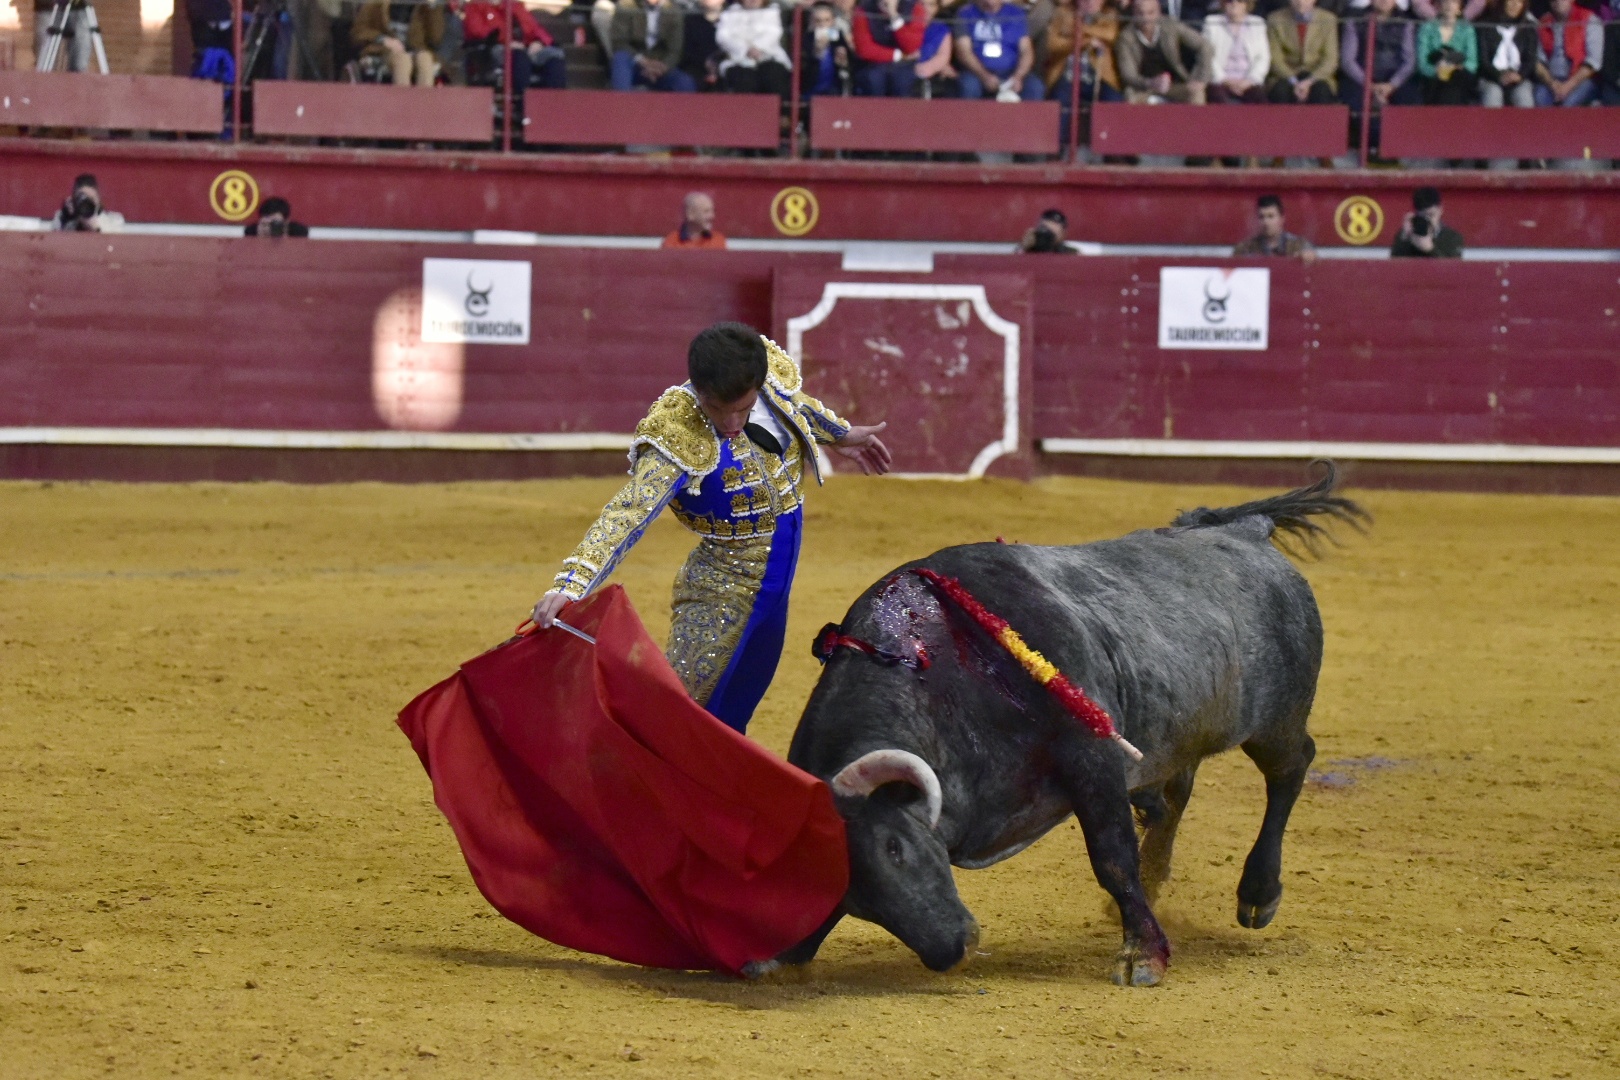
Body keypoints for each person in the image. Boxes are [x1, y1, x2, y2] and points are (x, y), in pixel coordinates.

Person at [530, 323, 892, 734]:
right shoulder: (678, 432)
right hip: (723, 588)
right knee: (676, 717)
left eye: (743, 407)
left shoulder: (767, 380)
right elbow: (627, 513)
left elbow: (795, 405)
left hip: (775, 589)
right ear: (700, 391)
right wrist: (570, 584)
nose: (732, 422)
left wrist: (840, 434)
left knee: (735, 710)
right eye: (719, 408)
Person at [1115, 0, 1212, 103]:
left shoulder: (1170, 26)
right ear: (1134, 13)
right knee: (1131, 99)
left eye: (1150, 13)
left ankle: (1195, 119)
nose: (1145, 18)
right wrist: (1151, 83)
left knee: (1196, 93)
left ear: (1158, 13)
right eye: (1140, 13)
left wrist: (1200, 78)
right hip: (1144, 88)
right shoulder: (1125, 38)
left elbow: (1204, 46)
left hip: (1175, 85)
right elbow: (1128, 75)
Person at [462, 0, 569, 88]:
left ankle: (554, 106)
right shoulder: (475, 6)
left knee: (554, 57)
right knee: (519, 57)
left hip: (525, 47)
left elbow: (533, 27)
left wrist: (539, 42)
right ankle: (523, 105)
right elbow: (477, 31)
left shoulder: (514, 5)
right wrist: (507, 41)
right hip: (492, 49)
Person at [954, 0, 1046, 100]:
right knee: (969, 86)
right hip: (977, 72)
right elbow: (963, 52)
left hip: (1011, 72)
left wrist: (1018, 76)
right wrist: (985, 76)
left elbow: (1026, 50)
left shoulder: (1016, 13)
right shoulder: (965, 13)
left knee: (1035, 87)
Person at [1339, 0, 1419, 109]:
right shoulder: (1355, 20)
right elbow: (1348, 61)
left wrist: (1392, 85)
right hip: (1362, 77)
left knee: (1410, 100)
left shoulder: (1406, 22)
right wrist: (1370, 85)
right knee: (1355, 103)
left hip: (1395, 77)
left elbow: (1409, 61)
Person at [1042, 0, 1122, 104]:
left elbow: (1110, 35)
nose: (1090, 2)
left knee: (1114, 101)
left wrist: (1079, 28)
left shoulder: (1108, 13)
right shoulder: (1063, 13)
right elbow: (1052, 45)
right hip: (1067, 76)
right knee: (1059, 103)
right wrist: (1088, 41)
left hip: (1098, 77)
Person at [352, 0, 445, 86]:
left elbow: (435, 38)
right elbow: (358, 31)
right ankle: (402, 102)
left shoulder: (424, 6)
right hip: (384, 51)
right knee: (403, 60)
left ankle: (425, 101)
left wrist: (432, 7)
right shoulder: (376, 3)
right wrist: (383, 39)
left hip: (416, 49)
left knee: (425, 59)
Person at [611, 0, 695, 91]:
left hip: (660, 66)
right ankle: (621, 102)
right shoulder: (626, 5)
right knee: (620, 58)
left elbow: (675, 49)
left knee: (685, 82)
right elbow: (618, 42)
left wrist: (662, 67)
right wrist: (643, 61)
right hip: (634, 63)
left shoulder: (673, 10)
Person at [1264, 0, 1337, 104]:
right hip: (1286, 74)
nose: (1300, 2)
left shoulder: (1328, 19)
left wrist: (1309, 81)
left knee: (1321, 91)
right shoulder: (1275, 19)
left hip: (1317, 74)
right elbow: (1275, 59)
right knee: (1280, 91)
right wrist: (1294, 81)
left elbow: (1331, 59)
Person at [716, 0, 793, 97]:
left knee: (773, 74)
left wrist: (758, 47)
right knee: (744, 79)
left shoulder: (772, 11)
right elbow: (723, 37)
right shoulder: (730, 12)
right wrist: (746, 49)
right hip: (738, 60)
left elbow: (774, 32)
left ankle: (781, 111)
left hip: (767, 56)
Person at [851, 0, 928, 97]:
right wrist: (899, 55)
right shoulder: (863, 9)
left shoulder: (915, 8)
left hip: (904, 66)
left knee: (901, 80)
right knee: (874, 79)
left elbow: (911, 47)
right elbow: (864, 49)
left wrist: (894, 15)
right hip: (872, 64)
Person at [1534, 0, 1601, 108]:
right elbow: (1537, 61)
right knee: (1540, 99)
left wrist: (1567, 87)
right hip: (1551, 80)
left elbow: (1593, 62)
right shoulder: (1543, 22)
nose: (1557, 1)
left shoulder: (1589, 19)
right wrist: (1553, 84)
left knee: (1568, 104)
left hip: (1580, 80)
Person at [1204, 0, 1270, 103]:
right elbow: (1208, 58)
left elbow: (1263, 58)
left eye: (1240, 1)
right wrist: (1225, 80)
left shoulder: (1258, 23)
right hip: (1221, 81)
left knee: (1259, 99)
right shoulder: (1212, 23)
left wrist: (1249, 81)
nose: (1234, 3)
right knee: (1218, 97)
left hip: (1248, 81)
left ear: (1247, 4)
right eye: (1229, 1)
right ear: (1223, 4)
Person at [1416, 0, 1478, 104]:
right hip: (1434, 76)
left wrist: (1455, 68)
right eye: (1445, 2)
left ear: (1459, 8)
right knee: (1441, 80)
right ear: (1439, 6)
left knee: (1455, 81)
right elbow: (1422, 63)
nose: (1449, 5)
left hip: (1459, 75)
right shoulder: (1427, 28)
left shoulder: (1467, 29)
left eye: (1453, 2)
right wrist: (1436, 70)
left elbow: (1472, 63)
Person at [1476, 0, 1536, 107]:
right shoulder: (1486, 25)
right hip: (1491, 77)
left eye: (1519, 2)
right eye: (1511, 1)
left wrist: (1519, 75)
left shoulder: (1528, 27)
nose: (1514, 5)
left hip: (1518, 76)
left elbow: (1530, 59)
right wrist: (1499, 76)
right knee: (1493, 94)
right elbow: (1483, 60)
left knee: (1523, 96)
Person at [797, 0, 855, 98]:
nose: (822, 24)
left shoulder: (838, 37)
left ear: (833, 21)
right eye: (818, 20)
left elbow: (851, 62)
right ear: (812, 21)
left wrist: (844, 60)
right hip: (811, 88)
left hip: (834, 88)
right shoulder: (806, 39)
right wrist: (817, 52)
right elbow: (802, 66)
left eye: (827, 20)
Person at [1232, 194, 1317, 260]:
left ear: (1281, 219)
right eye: (1261, 217)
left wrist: (1309, 257)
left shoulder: (1299, 246)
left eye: (1271, 216)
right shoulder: (1244, 249)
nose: (1266, 222)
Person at [1391, 186, 1464, 258]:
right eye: (1423, 216)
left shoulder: (1452, 237)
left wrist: (1430, 249)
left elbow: (1453, 268)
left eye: (1431, 215)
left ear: (1440, 210)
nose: (1428, 220)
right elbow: (1394, 266)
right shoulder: (1406, 235)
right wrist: (1405, 237)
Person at [34, 0, 96, 72]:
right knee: (44, 60)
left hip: (79, 7)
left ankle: (78, 80)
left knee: (80, 61)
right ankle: (44, 79)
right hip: (48, 7)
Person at [50, 174, 123, 233]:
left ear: (98, 201)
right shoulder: (62, 218)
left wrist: (95, 227)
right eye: (81, 198)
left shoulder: (114, 220)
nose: (86, 202)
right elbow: (55, 245)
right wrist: (65, 219)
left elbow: (113, 245)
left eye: (91, 199)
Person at [679, 0, 726, 91]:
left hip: (727, 67)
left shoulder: (733, 20)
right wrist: (704, 63)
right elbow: (685, 51)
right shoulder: (690, 21)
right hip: (697, 68)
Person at [915, 0, 959, 96]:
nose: (926, 9)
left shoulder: (941, 29)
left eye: (931, 5)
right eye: (922, 4)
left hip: (931, 72)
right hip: (908, 71)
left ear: (937, 8)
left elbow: (943, 55)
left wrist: (933, 67)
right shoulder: (905, 25)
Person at [662, 192, 728, 248]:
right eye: (706, 211)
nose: (712, 216)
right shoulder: (672, 242)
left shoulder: (718, 241)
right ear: (690, 214)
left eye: (712, 211)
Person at [243, 197, 309, 238]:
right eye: (265, 224)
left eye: (274, 224)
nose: (269, 229)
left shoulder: (298, 235)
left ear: (286, 223)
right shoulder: (250, 234)